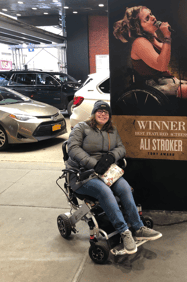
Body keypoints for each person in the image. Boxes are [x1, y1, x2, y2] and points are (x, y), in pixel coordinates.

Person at [66, 100, 162, 254]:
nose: (103, 114)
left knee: (124, 188)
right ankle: (124, 232)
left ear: (109, 116)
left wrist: (111, 157)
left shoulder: (112, 130)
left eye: (106, 112)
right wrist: (94, 164)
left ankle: (138, 228)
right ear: (94, 113)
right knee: (105, 192)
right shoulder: (81, 128)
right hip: (82, 174)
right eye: (100, 111)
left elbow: (121, 148)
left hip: (106, 172)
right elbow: (73, 148)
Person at [113, 6, 187, 108]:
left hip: (167, 81)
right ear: (139, 27)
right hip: (154, 86)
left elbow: (166, 55)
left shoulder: (153, 39)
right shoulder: (140, 42)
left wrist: (161, 35)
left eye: (151, 14)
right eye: (147, 19)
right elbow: (161, 66)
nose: (153, 18)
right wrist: (166, 37)